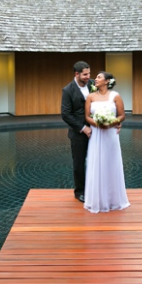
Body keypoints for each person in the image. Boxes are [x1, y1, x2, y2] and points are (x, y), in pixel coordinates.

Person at [84, 71, 130, 213]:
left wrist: (111, 122)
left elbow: (122, 115)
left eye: (98, 77)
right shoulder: (90, 97)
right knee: (96, 163)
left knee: (111, 163)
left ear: (107, 81)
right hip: (96, 133)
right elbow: (87, 116)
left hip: (110, 133)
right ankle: (96, 199)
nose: (95, 79)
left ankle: (114, 199)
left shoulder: (115, 96)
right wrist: (97, 124)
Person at [61, 61, 94, 202]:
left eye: (89, 73)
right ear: (77, 74)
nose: (88, 77)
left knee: (96, 161)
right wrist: (83, 128)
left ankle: (95, 189)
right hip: (78, 134)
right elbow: (66, 114)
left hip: (96, 131)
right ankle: (80, 192)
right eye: (85, 74)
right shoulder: (68, 90)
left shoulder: (93, 84)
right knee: (79, 164)